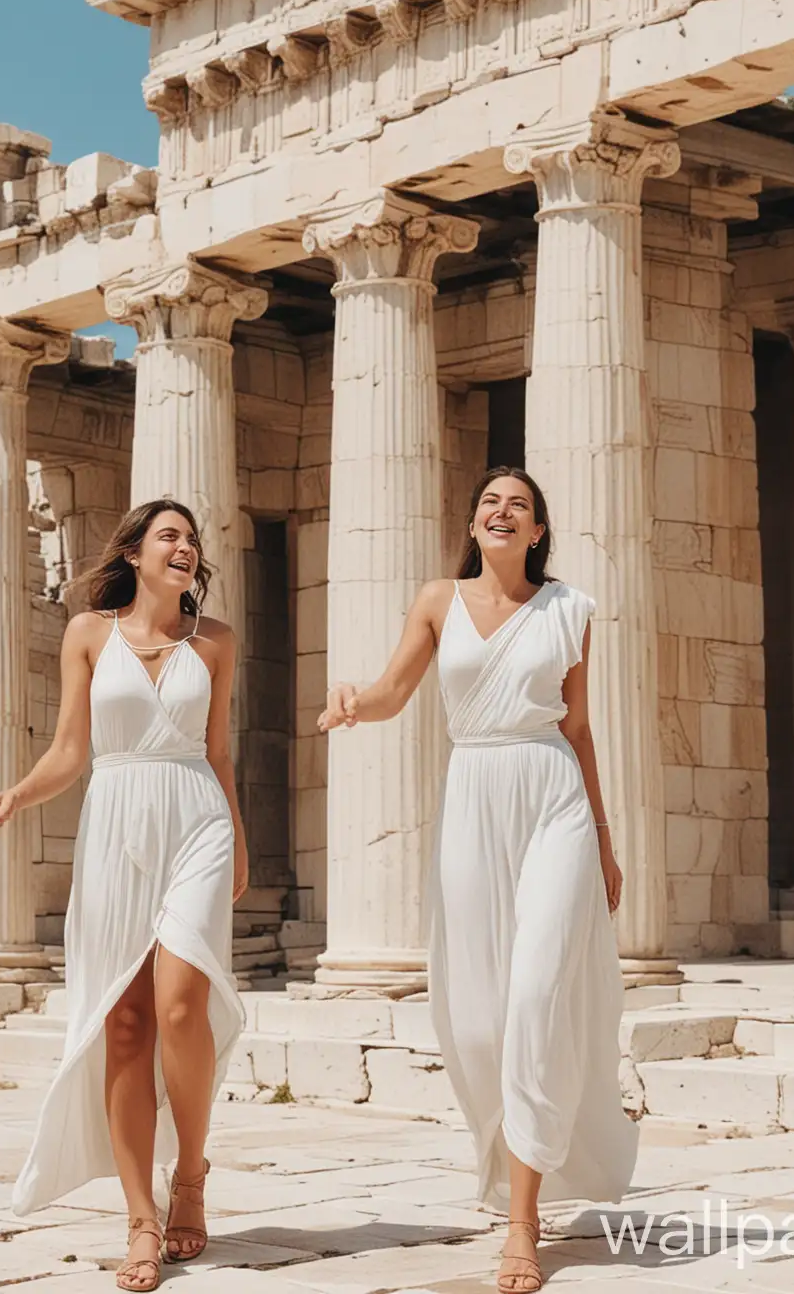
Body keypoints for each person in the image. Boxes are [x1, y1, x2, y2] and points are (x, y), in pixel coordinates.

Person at [318, 465, 637, 1294]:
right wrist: (353, 700)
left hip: (553, 797)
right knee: (483, 1025)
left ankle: (524, 1226)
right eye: (490, 503)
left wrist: (602, 837)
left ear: (537, 532)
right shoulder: (437, 600)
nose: (502, 512)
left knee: (536, 998)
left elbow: (578, 727)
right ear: (474, 523)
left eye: (519, 506)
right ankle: (512, 1158)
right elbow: (393, 692)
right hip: (474, 796)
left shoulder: (571, 610)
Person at [0, 498, 248, 1293]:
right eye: (170, 536)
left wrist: (239, 838)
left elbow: (220, 752)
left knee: (178, 1005)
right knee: (123, 1020)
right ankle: (141, 1216)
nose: (186, 548)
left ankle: (190, 1171)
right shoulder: (89, 634)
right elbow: (70, 750)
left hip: (196, 819)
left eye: (193, 540)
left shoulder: (218, 642)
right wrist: (18, 796)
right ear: (132, 552)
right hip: (117, 823)